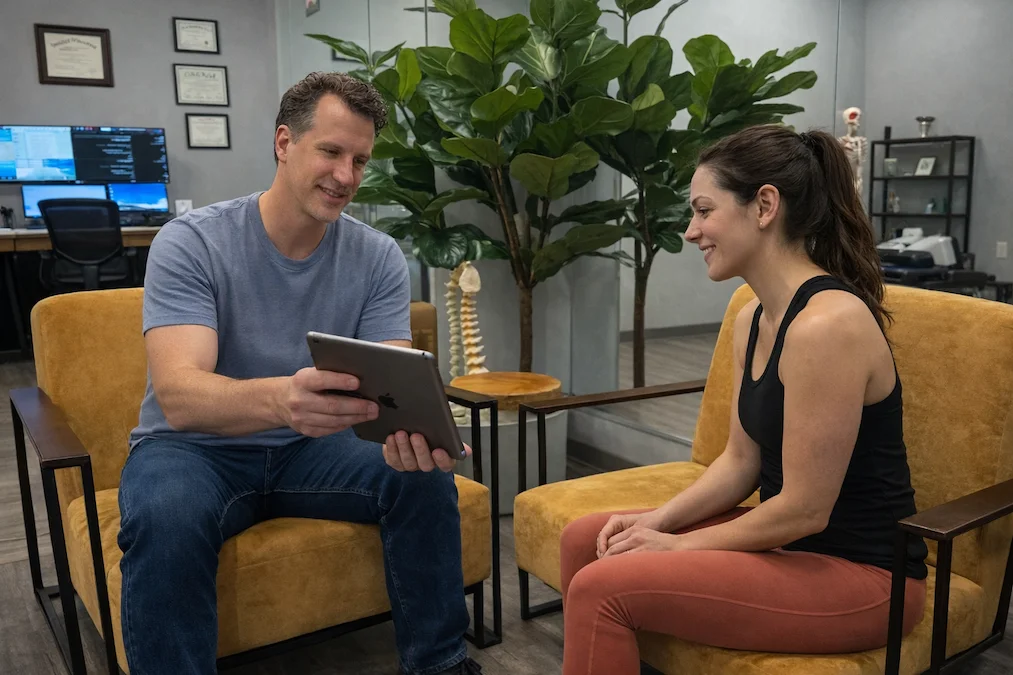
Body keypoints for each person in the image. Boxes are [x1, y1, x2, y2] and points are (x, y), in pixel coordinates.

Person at [117, 72, 481, 675]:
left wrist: (413, 433)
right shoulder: (191, 243)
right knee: (166, 516)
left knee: (422, 478)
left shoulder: (378, 257)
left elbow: (390, 386)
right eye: (331, 152)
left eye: (360, 160)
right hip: (194, 450)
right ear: (284, 143)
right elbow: (179, 397)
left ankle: (440, 665)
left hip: (317, 449)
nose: (346, 176)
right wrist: (282, 400)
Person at [558, 124, 929, 674]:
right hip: (792, 546)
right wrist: (656, 522)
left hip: (864, 575)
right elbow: (739, 462)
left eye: (703, 211)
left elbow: (805, 509)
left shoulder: (828, 326)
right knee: (584, 539)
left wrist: (678, 548)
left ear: (765, 206)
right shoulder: (751, 317)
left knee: (601, 587)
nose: (691, 231)